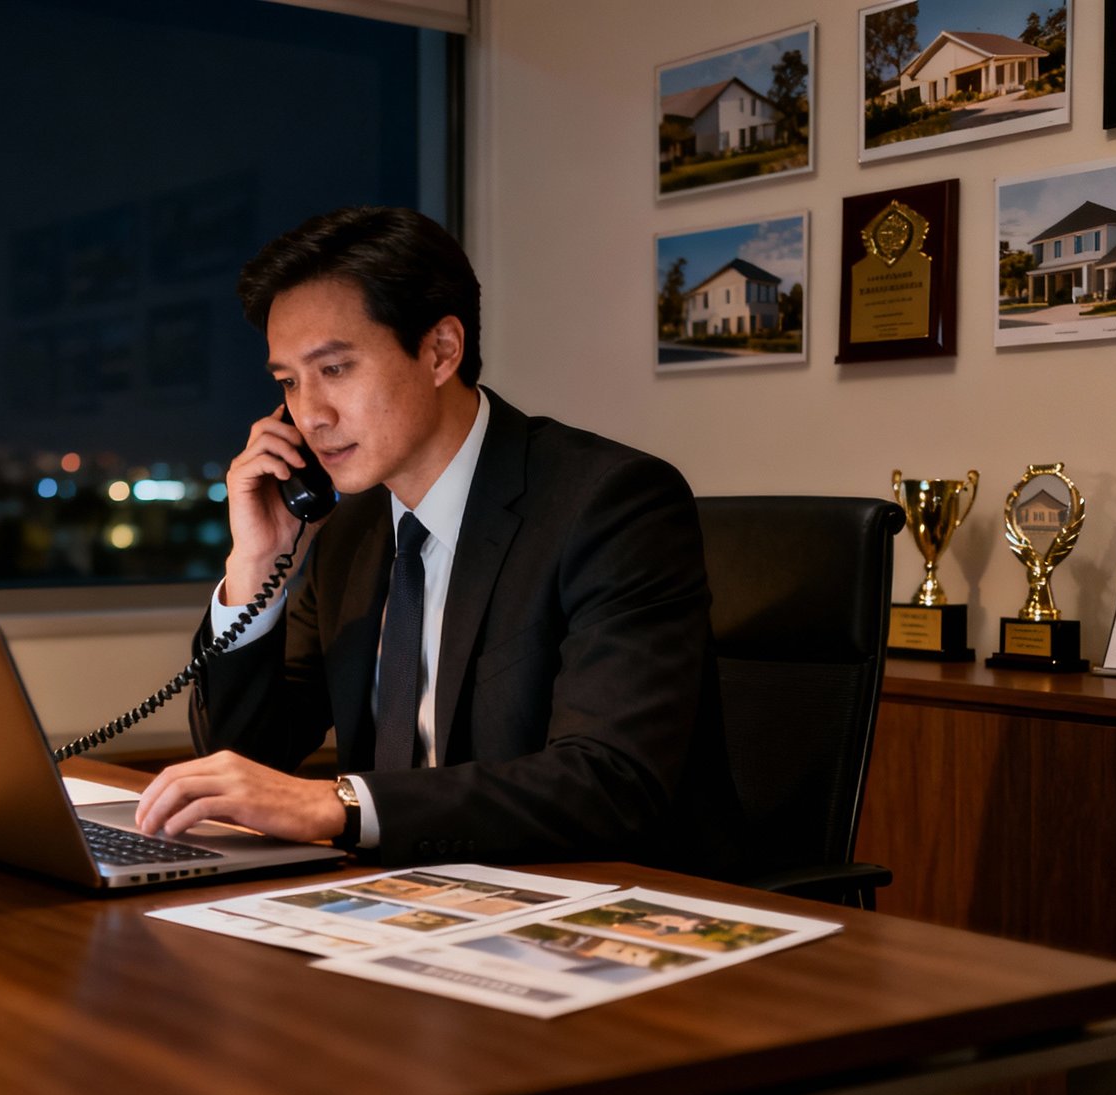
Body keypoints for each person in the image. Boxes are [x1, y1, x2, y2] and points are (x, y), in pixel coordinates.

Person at [132, 205, 740, 875]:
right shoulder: (352, 531)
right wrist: (256, 564)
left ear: (441, 351)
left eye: (334, 369)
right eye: (288, 382)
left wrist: (343, 807)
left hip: (606, 906)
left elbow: (608, 781)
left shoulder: (609, 503)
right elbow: (247, 758)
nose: (310, 415)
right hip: (410, 901)